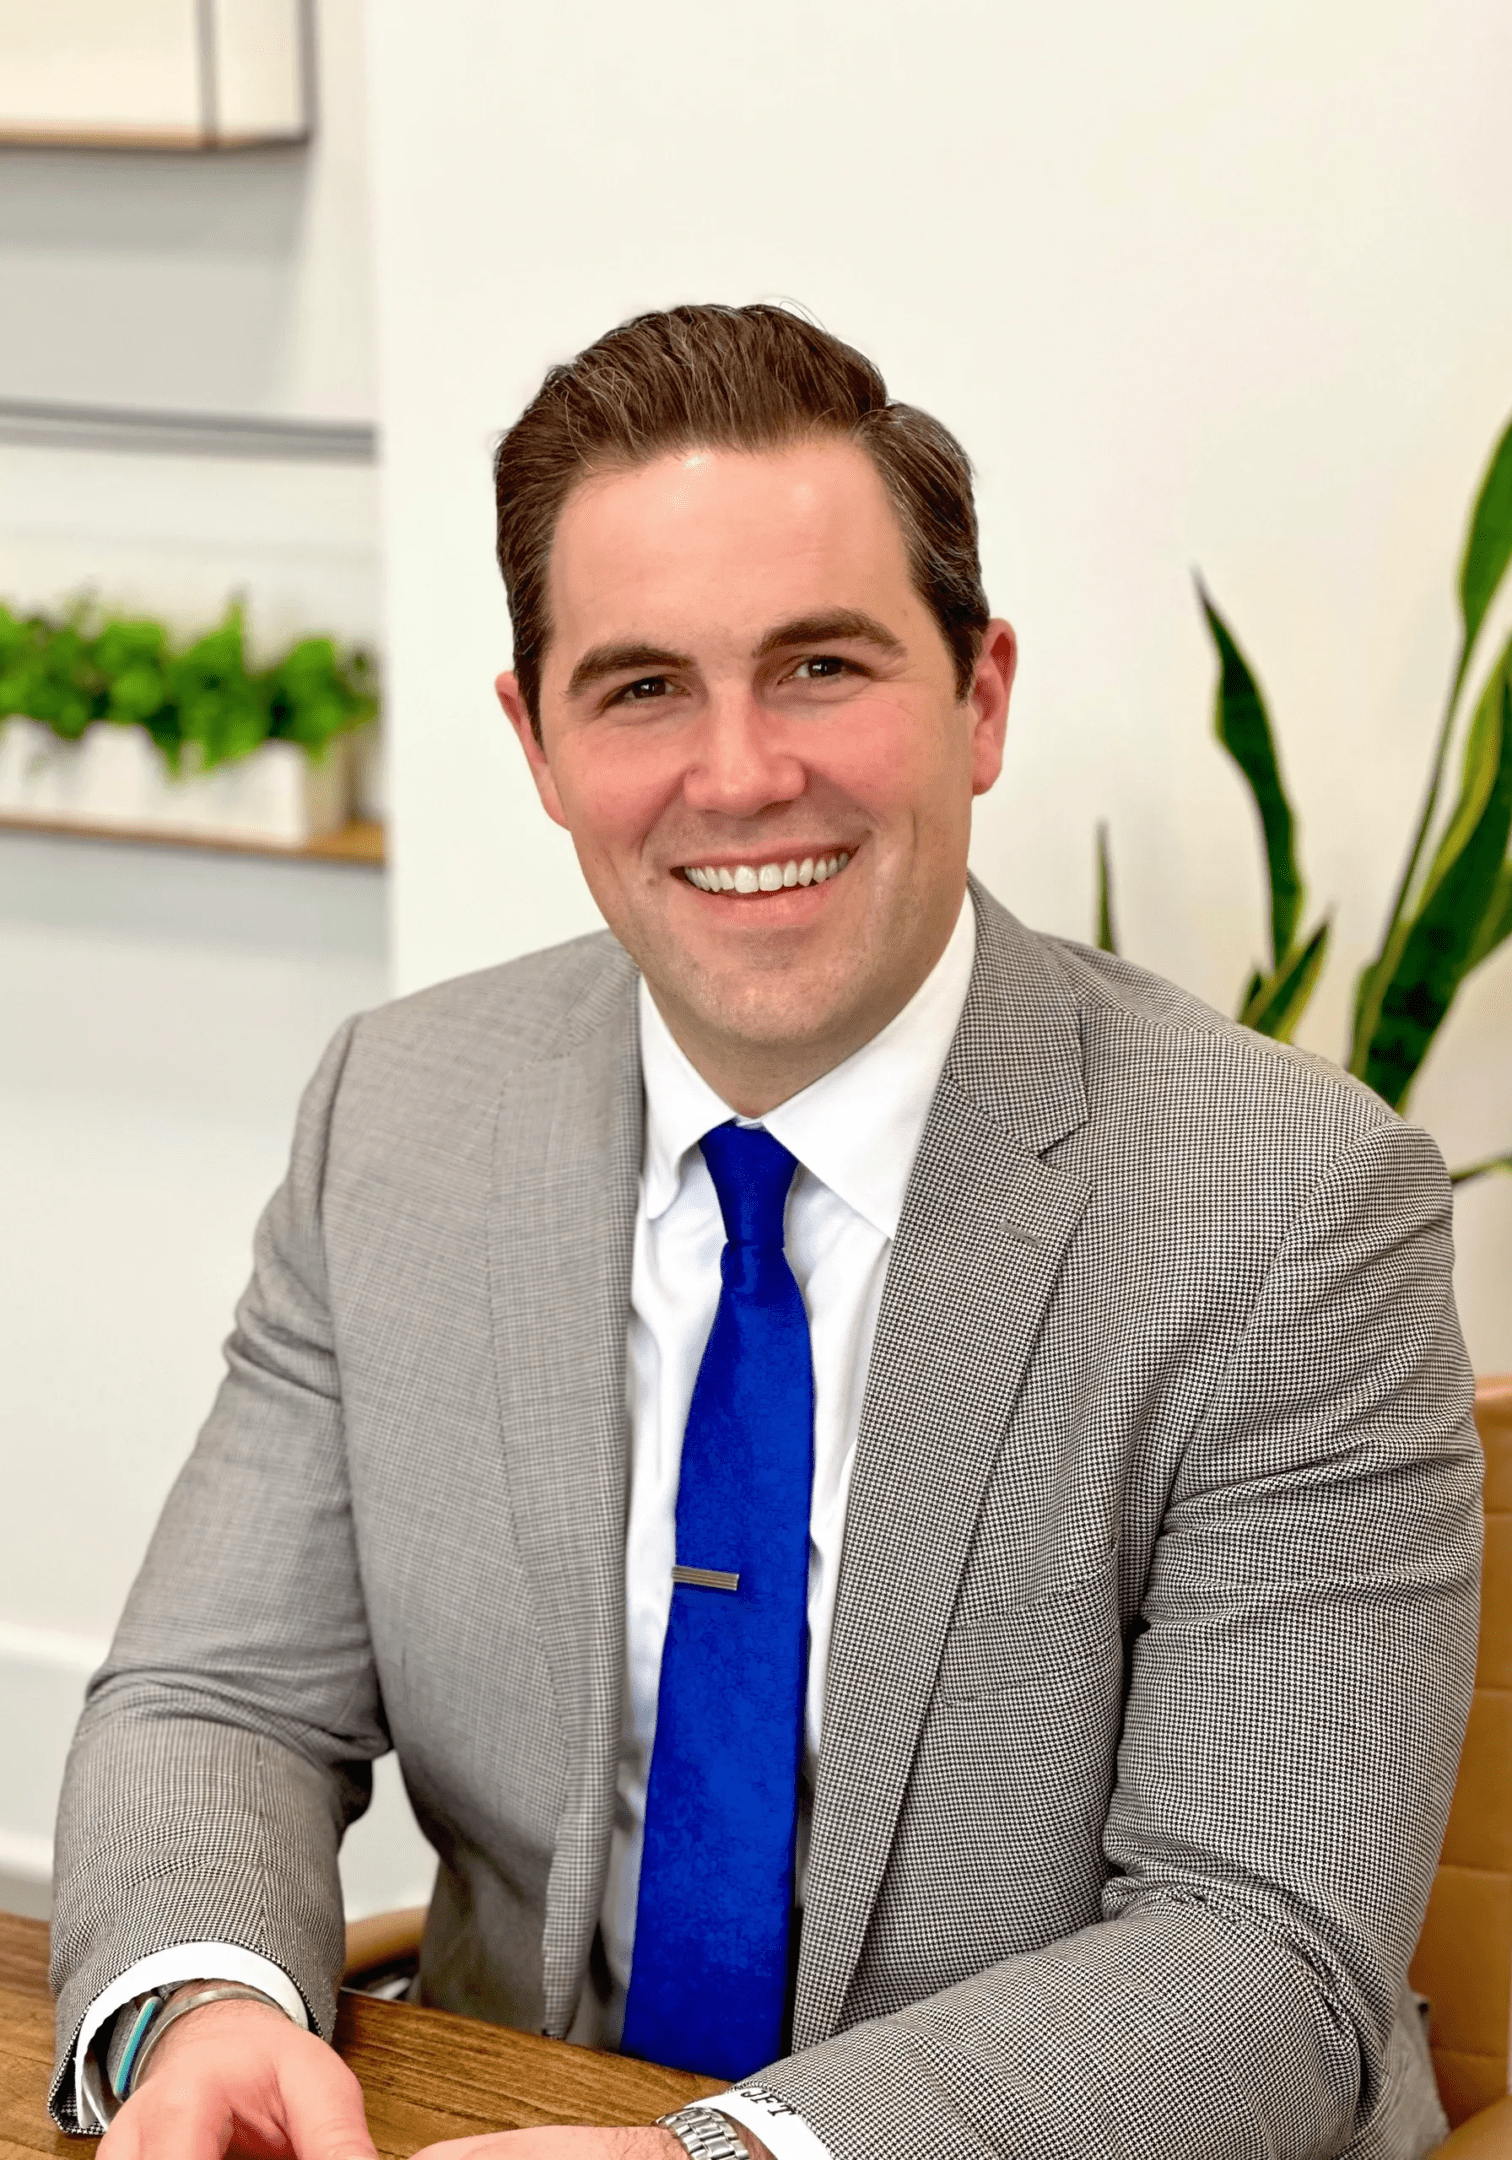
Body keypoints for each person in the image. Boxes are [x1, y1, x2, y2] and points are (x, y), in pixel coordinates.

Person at [49, 304, 1480, 2160]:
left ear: (980, 700)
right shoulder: (395, 1116)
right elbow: (217, 1694)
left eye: (819, 666)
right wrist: (203, 2000)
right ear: (539, 743)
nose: (737, 776)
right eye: (641, 688)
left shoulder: (1291, 1209)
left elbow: (1261, 1955)